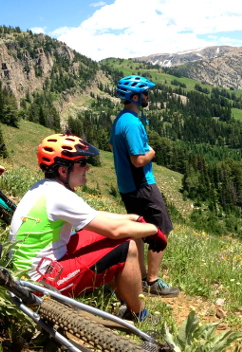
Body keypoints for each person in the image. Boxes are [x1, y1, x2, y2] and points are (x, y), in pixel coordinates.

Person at [8, 134, 167, 323]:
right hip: (41, 282)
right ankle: (139, 315)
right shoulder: (59, 196)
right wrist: (153, 230)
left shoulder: (46, 188)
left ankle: (126, 293)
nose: (87, 167)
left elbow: (93, 216)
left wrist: (131, 218)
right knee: (128, 246)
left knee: (114, 231)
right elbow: (114, 231)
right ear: (63, 170)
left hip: (30, 271)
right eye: (81, 163)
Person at [111, 75, 181, 297]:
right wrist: (152, 152)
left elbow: (114, 149)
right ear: (135, 96)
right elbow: (138, 160)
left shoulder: (121, 119)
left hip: (127, 185)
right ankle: (152, 281)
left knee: (138, 230)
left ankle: (141, 277)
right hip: (142, 185)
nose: (148, 97)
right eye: (146, 93)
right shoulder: (132, 123)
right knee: (161, 230)